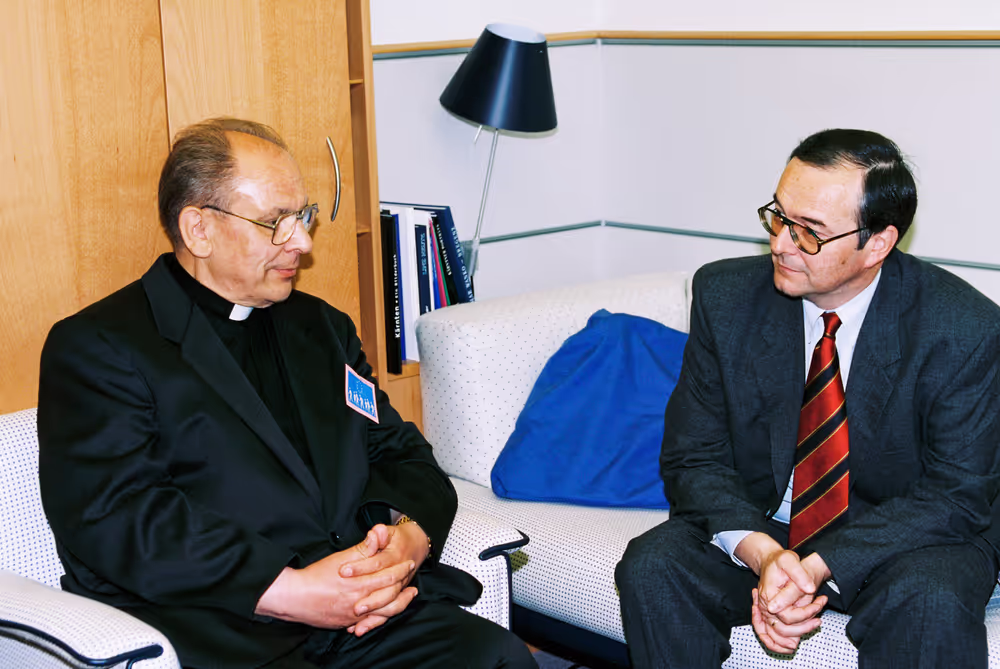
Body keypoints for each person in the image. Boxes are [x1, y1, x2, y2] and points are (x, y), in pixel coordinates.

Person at [38, 117, 537, 669]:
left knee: (495, 657)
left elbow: (399, 451)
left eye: (302, 216)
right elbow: (116, 514)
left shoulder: (321, 329)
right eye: (275, 222)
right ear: (198, 229)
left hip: (362, 617)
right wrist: (293, 591)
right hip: (225, 624)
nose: (300, 241)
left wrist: (407, 539)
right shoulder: (101, 345)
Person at [616, 129, 1000, 668]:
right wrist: (767, 555)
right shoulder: (725, 297)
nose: (780, 243)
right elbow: (692, 456)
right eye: (778, 216)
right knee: (653, 564)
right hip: (773, 524)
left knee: (929, 600)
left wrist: (816, 565)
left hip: (906, 537)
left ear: (878, 244)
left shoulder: (963, 328)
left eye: (809, 232)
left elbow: (956, 496)